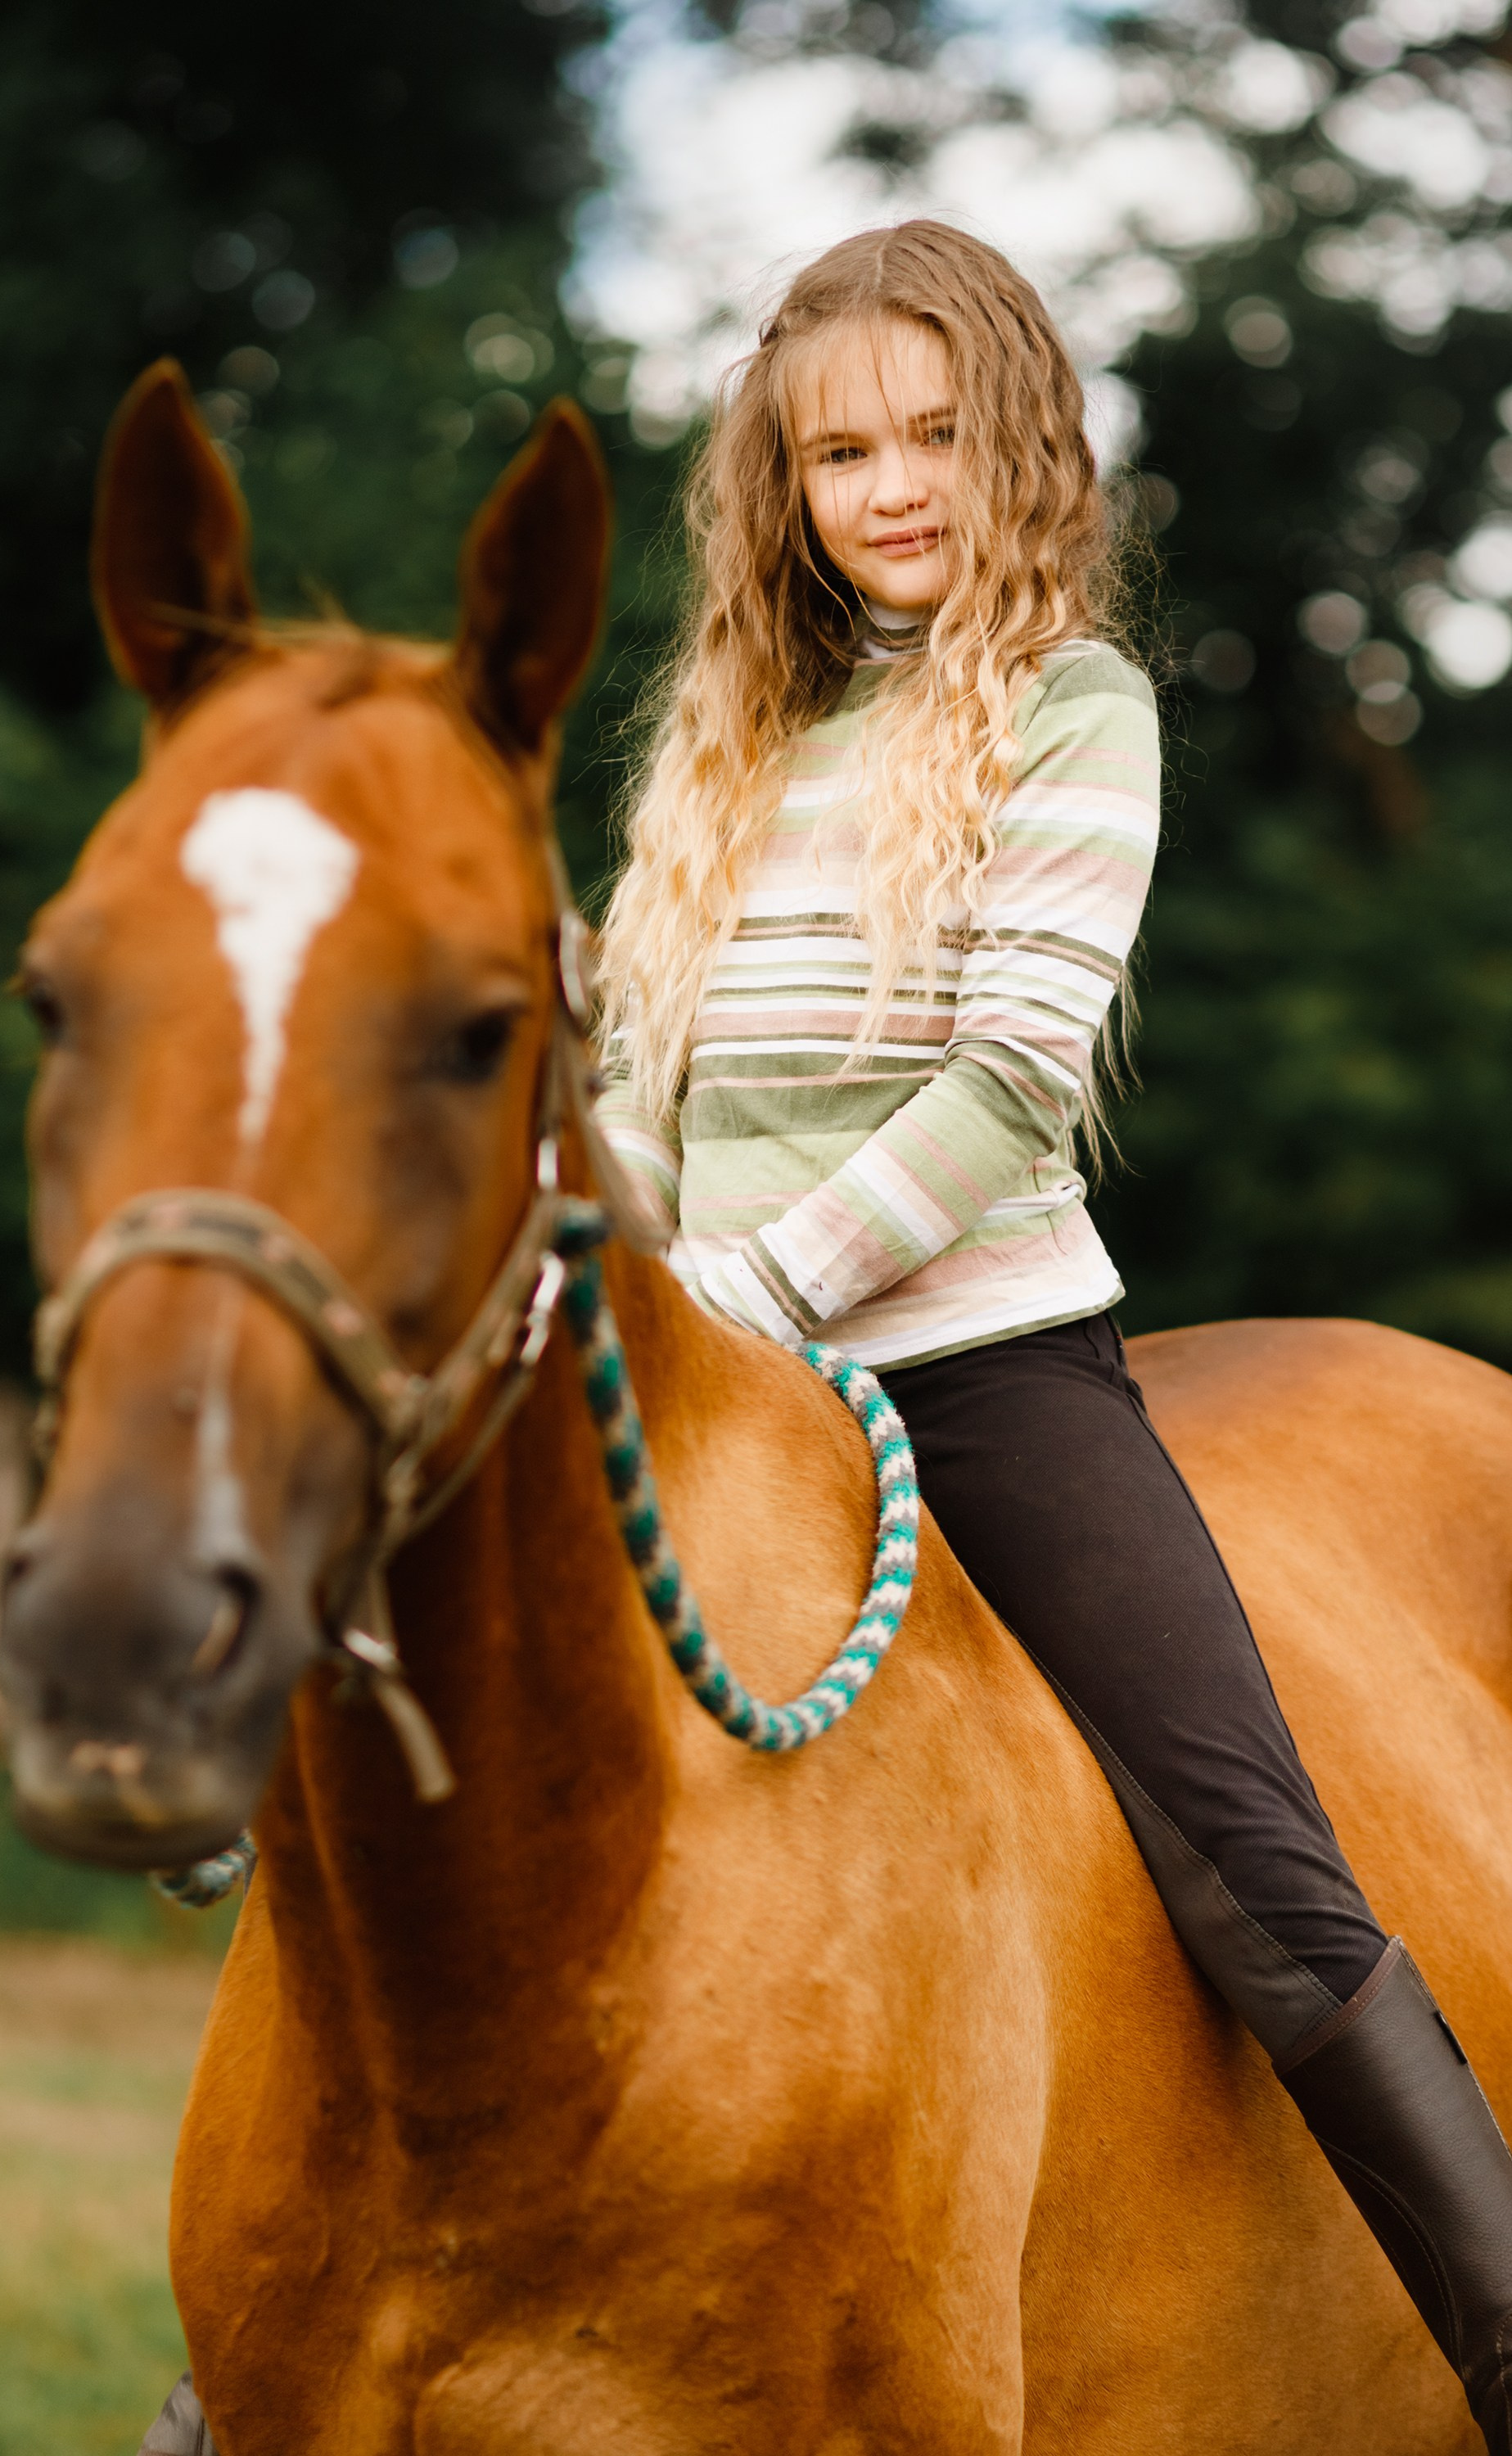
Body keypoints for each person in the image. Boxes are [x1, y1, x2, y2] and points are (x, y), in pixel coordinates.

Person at [595, 217, 1512, 2448]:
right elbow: (636, 1069)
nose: (891, 487)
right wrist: (627, 1302)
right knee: (442, 1807)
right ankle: (251, 2364)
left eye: (933, 436)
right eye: (839, 454)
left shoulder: (1070, 712)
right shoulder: (725, 737)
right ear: (781, 491)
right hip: (699, 1387)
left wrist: (749, 1302)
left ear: (1021, 447)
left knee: (1255, 1862)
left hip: (972, 1368)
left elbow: (1007, 1086)